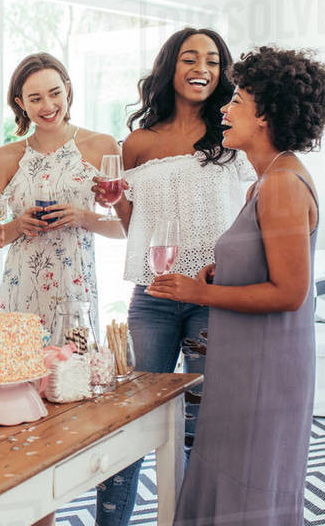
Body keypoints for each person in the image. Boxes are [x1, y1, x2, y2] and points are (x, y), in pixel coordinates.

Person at [147, 45, 325, 526]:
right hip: (245, 361)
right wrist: (224, 270)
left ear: (267, 115)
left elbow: (290, 292)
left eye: (237, 101)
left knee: (250, 481)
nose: (225, 110)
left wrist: (200, 293)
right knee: (232, 475)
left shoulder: (283, 184)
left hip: (265, 370)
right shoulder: (264, 181)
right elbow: (265, 261)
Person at [92, 28, 255, 526]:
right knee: (131, 418)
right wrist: (114, 199)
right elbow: (133, 225)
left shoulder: (233, 136)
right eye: (189, 58)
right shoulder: (138, 142)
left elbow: (254, 212)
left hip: (214, 297)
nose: (201, 68)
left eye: (212, 60)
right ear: (171, 67)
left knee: (200, 428)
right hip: (154, 296)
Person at [0, 52, 125, 342]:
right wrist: (18, 226)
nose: (48, 106)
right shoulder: (5, 157)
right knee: (22, 370)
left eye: (55, 93)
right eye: (35, 99)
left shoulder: (102, 146)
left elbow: (127, 227)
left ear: (68, 90)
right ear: (20, 103)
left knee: (76, 369)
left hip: (77, 297)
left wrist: (82, 217)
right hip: (20, 295)